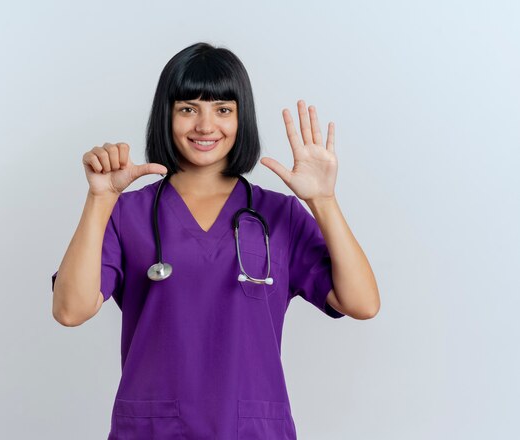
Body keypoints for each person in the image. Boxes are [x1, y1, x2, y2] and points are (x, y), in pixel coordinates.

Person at [51, 42, 380, 440]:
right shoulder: (126, 214)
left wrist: (323, 201)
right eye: (188, 108)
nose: (205, 126)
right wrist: (100, 199)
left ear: (242, 119)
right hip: (156, 431)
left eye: (223, 109)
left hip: (253, 430)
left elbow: (362, 304)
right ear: (166, 116)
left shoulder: (280, 215)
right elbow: (70, 310)